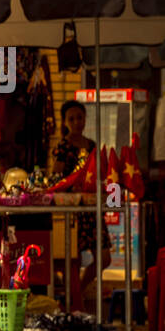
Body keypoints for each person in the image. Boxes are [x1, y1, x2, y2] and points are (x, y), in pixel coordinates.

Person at [50, 99, 107, 307]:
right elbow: (56, 178)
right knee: (71, 260)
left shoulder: (91, 145)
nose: (76, 122)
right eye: (71, 119)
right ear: (65, 122)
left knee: (104, 257)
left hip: (92, 207)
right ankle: (75, 301)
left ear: (85, 119)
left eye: (79, 118)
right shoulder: (63, 147)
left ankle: (75, 295)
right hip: (73, 210)